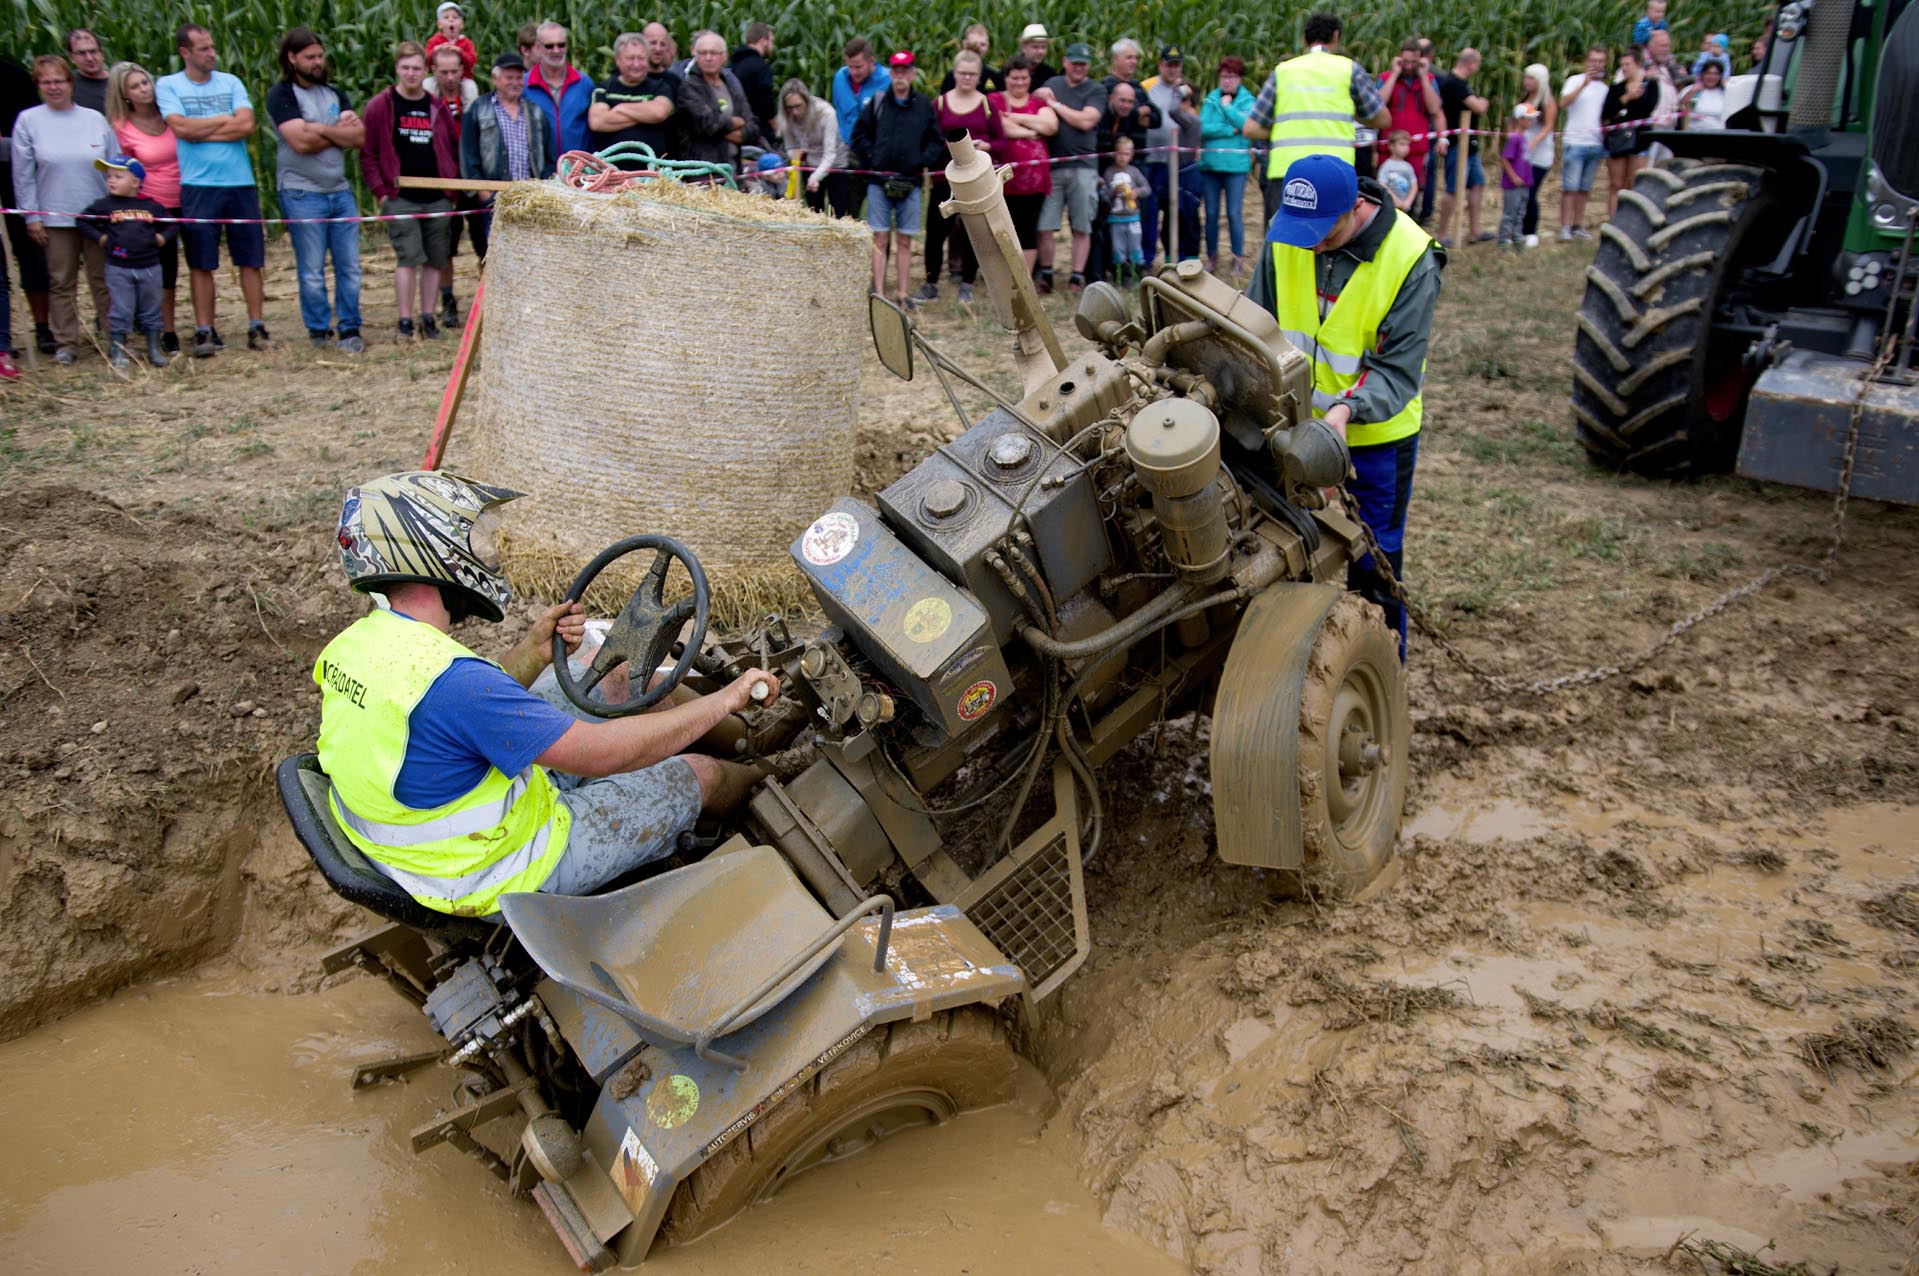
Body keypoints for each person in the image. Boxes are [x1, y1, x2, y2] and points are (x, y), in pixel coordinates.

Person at [318, 472, 778, 919]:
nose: (485, 553)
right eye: (471, 540)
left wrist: (536, 651)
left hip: (428, 839)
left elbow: (453, 719)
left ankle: (749, 743)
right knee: (698, 775)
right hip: (497, 870)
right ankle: (769, 778)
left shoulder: (357, 647)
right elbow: (601, 755)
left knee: (614, 679)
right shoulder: (454, 683)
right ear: (432, 552)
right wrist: (724, 700)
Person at [1247, 154, 1443, 654]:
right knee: (1278, 549)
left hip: (1373, 443)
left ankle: (1383, 675)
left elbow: (1395, 372)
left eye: (1324, 231)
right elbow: (1253, 320)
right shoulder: (1289, 230)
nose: (1310, 242)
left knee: (1374, 567)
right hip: (1287, 429)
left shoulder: (1411, 258)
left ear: (1356, 206)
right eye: (1301, 229)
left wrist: (1339, 418)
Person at [159, 24, 269, 356]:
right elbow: (180, 128)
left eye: (212, 47)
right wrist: (224, 121)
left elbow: (247, 125)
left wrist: (199, 130)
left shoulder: (231, 82)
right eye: (204, 48)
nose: (212, 53)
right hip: (198, 186)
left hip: (240, 183)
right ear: (185, 52)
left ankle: (256, 326)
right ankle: (205, 329)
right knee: (201, 262)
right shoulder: (168, 85)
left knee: (250, 259)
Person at [266, 28, 365, 354]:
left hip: (339, 191)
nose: (317, 62)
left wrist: (319, 128)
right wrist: (336, 131)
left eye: (320, 56)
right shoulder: (282, 94)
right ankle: (319, 331)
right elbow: (300, 142)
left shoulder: (334, 94)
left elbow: (357, 138)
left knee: (349, 266)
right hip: (301, 193)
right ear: (292, 58)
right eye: (310, 57)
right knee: (311, 269)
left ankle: (350, 327)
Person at [14, 55, 112, 367]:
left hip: (97, 216)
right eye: (46, 82)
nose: (53, 87)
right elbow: (23, 173)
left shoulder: (94, 119)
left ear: (70, 83)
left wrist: (116, 210)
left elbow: (114, 165)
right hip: (54, 217)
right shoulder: (28, 121)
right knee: (61, 282)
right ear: (38, 86)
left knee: (104, 280)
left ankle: (115, 338)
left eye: (59, 81)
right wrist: (32, 216)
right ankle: (67, 343)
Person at [361, 42, 458, 342]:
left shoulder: (436, 106)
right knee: (407, 257)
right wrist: (381, 192)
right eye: (405, 68)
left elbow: (450, 149)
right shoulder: (381, 105)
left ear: (425, 71)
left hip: (436, 195)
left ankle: (428, 318)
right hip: (400, 196)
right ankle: (405, 321)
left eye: (417, 68)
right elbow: (368, 154)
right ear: (397, 70)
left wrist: (450, 191)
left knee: (434, 259)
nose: (411, 73)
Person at [1242, 12, 1390, 180]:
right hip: (1335, 171)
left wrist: (1287, 128)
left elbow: (1251, 128)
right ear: (1336, 36)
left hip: (1287, 171)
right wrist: (1352, 113)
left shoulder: (1283, 71)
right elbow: (1383, 119)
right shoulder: (1349, 69)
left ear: (1304, 38)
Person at [850, 50, 941, 305]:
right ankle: (878, 292)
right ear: (891, 74)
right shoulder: (878, 103)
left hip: (909, 183)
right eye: (896, 71)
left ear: (912, 74)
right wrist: (874, 157)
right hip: (879, 182)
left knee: (904, 238)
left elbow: (935, 141)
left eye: (905, 71)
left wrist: (920, 162)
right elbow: (859, 136)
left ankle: (902, 292)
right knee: (879, 237)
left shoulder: (923, 105)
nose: (900, 76)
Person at [104, 61, 182, 354]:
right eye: (135, 87)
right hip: (152, 207)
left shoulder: (170, 116)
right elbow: (121, 174)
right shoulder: (121, 128)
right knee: (162, 271)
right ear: (125, 95)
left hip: (187, 199)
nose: (143, 90)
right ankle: (165, 330)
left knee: (189, 266)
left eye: (145, 83)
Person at [75, 154, 172, 373]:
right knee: (121, 308)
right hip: (118, 268)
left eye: (118, 177)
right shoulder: (104, 205)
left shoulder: (151, 206)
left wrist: (162, 238)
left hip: (150, 267)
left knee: (151, 307)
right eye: (109, 177)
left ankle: (154, 349)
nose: (111, 181)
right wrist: (100, 238)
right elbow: (82, 221)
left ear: (136, 182)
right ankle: (118, 349)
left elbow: (173, 224)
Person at [918, 50, 1001, 304]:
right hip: (946, 179)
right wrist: (954, 148)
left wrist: (984, 146)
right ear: (954, 74)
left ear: (979, 76)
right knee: (935, 231)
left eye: (972, 74)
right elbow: (929, 141)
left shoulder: (988, 105)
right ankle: (931, 282)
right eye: (962, 73)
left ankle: (967, 282)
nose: (967, 78)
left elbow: (1001, 142)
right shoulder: (940, 104)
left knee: (974, 232)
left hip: (977, 181)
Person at [461, 52, 555, 255]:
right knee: (492, 255)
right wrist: (482, 191)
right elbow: (468, 154)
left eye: (518, 78)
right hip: (494, 196)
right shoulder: (478, 110)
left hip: (530, 198)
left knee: (529, 253)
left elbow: (549, 155)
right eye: (509, 77)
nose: (515, 82)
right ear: (495, 79)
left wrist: (544, 188)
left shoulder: (535, 112)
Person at [1034, 43, 1107, 293]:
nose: (1078, 68)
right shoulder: (1052, 85)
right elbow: (1034, 105)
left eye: (1083, 64)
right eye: (1074, 62)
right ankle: (1046, 274)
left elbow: (1086, 121)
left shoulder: (1096, 89)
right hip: (1052, 166)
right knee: (1045, 225)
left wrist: (1055, 107)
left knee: (1081, 226)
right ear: (1065, 62)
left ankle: (1076, 277)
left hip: (1084, 167)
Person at [3, 53, 56, 357]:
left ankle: (42, 327)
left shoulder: (13, 75)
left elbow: (30, 130)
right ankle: (3, 337)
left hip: (15, 180)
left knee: (32, 256)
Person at [424, 42, 479, 327]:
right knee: (444, 249)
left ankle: (486, 301)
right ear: (434, 71)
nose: (449, 78)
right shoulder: (428, 102)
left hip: (470, 179)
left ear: (462, 71)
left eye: (454, 71)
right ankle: (447, 300)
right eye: (443, 72)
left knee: (484, 245)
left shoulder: (473, 101)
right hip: (443, 184)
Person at [992, 55, 1056, 275]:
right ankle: (1006, 276)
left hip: (1035, 179)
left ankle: (1025, 278)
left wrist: (1014, 117)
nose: (1019, 82)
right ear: (1006, 78)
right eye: (1014, 78)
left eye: (1024, 78)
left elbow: (1050, 126)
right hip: (1004, 179)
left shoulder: (1039, 103)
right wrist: (1031, 131)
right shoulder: (994, 100)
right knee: (1004, 230)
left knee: (1029, 230)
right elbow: (1001, 126)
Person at [1142, 45, 1200, 268]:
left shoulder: (1185, 90)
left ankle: (1179, 256)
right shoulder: (1148, 86)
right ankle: (1147, 257)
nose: (1173, 69)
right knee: (1150, 211)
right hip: (1151, 157)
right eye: (1169, 65)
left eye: (1177, 65)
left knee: (1178, 211)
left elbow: (1191, 115)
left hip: (1176, 163)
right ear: (1161, 65)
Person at [676, 30, 760, 173]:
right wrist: (737, 122)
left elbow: (752, 128)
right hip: (701, 170)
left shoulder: (732, 85)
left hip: (732, 168)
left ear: (724, 56)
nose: (708, 58)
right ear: (694, 54)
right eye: (703, 53)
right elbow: (707, 124)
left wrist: (719, 129)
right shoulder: (688, 85)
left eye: (714, 53)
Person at [1199, 56, 1254, 274]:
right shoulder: (1211, 99)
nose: (1227, 81)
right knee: (1211, 213)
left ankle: (1237, 258)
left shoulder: (1248, 101)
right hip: (1210, 166)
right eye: (1224, 77)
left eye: (1231, 77)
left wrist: (1229, 110)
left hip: (1236, 167)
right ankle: (1212, 256)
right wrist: (1229, 130)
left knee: (1233, 213)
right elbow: (1203, 128)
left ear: (1239, 79)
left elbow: (1247, 125)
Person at [1431, 48, 1491, 245]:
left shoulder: (1461, 84)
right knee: (1453, 188)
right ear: (1471, 64)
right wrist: (1483, 102)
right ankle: (1442, 233)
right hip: (1458, 145)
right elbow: (1479, 107)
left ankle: (1475, 230)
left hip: (1470, 146)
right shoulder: (1455, 84)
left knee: (1477, 184)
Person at [590, 32, 676, 167]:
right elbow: (597, 122)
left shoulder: (660, 87)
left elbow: (659, 112)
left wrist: (619, 108)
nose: (636, 64)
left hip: (652, 172)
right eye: (630, 58)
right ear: (618, 60)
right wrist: (644, 115)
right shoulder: (604, 89)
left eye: (641, 58)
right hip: (611, 171)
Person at [1379, 38, 1444, 212]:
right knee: (1386, 194)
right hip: (1389, 148)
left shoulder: (1429, 80)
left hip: (1416, 150)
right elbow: (1378, 103)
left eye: (1413, 62)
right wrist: (1394, 74)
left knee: (1412, 195)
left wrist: (1423, 77)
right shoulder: (1385, 78)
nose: (1408, 66)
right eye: (1405, 61)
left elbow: (1435, 108)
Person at [828, 38, 887, 219]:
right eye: (850, 66)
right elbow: (841, 113)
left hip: (878, 153)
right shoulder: (840, 78)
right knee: (848, 212)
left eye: (858, 67)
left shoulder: (887, 80)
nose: (853, 72)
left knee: (880, 215)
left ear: (871, 61)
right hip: (850, 153)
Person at [1558, 46, 1609, 241]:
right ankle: (1564, 226)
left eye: (1600, 61)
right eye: (1593, 60)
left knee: (1584, 188)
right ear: (1586, 62)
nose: (1597, 65)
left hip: (1595, 144)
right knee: (1570, 187)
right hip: (1575, 141)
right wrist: (1583, 86)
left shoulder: (1605, 89)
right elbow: (1563, 103)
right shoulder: (1574, 81)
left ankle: (1578, 225)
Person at [1601, 48, 1657, 220]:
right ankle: (1614, 220)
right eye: (1622, 65)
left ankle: (1632, 220)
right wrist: (1626, 98)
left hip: (1640, 140)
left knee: (1634, 183)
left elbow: (1647, 109)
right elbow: (1606, 112)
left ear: (1638, 65)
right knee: (1616, 184)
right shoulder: (1617, 88)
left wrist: (1627, 103)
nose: (1624, 68)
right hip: (1617, 140)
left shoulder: (1651, 85)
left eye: (1628, 64)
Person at [526, 22, 592, 156]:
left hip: (578, 169)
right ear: (538, 47)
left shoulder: (584, 83)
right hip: (539, 171)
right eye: (549, 46)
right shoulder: (525, 84)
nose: (556, 50)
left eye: (561, 45)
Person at [773, 78, 839, 213]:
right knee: (813, 212)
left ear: (806, 102)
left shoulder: (827, 114)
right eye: (790, 108)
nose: (794, 112)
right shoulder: (787, 117)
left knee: (837, 214)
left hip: (835, 166)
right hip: (809, 166)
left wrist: (816, 176)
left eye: (798, 106)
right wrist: (798, 156)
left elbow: (830, 153)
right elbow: (790, 147)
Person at [1514, 64, 1556, 247]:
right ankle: (1519, 229)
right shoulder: (1525, 98)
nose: (1527, 81)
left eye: (1531, 78)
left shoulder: (1547, 101)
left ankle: (1530, 231)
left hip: (1539, 155)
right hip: (1523, 154)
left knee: (1531, 192)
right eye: (1526, 77)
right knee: (1521, 193)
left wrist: (1533, 143)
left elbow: (1548, 126)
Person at [1101, 136, 1148, 284]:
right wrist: (1113, 191)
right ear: (1114, 153)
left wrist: (1137, 192)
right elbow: (1104, 194)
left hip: (1133, 217)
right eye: (1119, 153)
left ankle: (1137, 274)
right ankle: (1121, 276)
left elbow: (1147, 188)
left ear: (1132, 155)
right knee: (1118, 248)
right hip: (1115, 218)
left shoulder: (1134, 171)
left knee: (1135, 247)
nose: (1122, 157)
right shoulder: (1109, 172)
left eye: (1126, 154)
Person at [729, 22, 779, 139]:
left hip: (735, 128)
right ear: (763, 40)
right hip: (757, 131)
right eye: (771, 41)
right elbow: (766, 102)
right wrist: (775, 127)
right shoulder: (760, 66)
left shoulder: (732, 65)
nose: (773, 47)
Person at [1495, 120, 1532, 250]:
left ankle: (1517, 238)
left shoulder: (1524, 138)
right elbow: (1505, 158)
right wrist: (1514, 177)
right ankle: (1503, 241)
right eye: (1529, 118)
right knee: (1509, 213)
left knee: (1520, 212)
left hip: (1525, 183)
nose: (1532, 121)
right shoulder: (1514, 138)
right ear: (1521, 119)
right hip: (1513, 185)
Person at [941, 24, 1003, 94]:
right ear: (965, 44)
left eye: (982, 44)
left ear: (988, 47)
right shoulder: (951, 77)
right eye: (974, 43)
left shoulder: (993, 76)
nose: (978, 48)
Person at [424, 2, 477, 79]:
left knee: (470, 88)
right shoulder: (434, 41)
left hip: (463, 79)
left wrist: (460, 51)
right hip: (439, 79)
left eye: (455, 17)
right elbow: (425, 60)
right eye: (446, 17)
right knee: (427, 85)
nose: (451, 20)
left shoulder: (466, 43)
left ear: (461, 24)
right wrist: (435, 50)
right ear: (439, 25)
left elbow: (472, 62)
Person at [65, 30, 108, 115]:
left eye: (93, 51)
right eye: (81, 53)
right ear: (71, 57)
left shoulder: (120, 82)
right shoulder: (65, 85)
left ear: (102, 53)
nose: (89, 58)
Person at [1376, 129, 1418, 212]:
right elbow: (1382, 185)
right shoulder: (1386, 166)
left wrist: (1408, 202)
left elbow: (1414, 185)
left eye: (1407, 145)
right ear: (1391, 146)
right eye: (1402, 144)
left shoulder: (1408, 167)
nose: (1406, 148)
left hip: (1406, 207)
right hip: (1390, 208)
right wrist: (1397, 202)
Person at [1680, 59, 1728, 131]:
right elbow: (1680, 108)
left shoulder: (1725, 92)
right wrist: (1692, 92)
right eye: (1708, 73)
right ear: (1702, 74)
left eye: (1716, 74)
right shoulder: (1690, 89)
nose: (1712, 77)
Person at [1010, 23, 1058, 88]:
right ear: (1024, 48)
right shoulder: (1010, 70)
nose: (1040, 52)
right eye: (1035, 47)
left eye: (1043, 47)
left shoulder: (1050, 74)